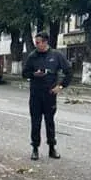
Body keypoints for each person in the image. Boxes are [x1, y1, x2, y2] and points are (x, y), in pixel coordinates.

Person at [22, 31, 72, 161]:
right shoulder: (33, 56)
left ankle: (52, 148)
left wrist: (60, 86)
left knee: (50, 122)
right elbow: (25, 73)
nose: (36, 44)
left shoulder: (56, 55)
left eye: (38, 42)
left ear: (45, 42)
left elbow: (68, 72)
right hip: (35, 95)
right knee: (35, 122)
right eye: (35, 42)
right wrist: (34, 74)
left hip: (50, 95)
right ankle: (35, 148)